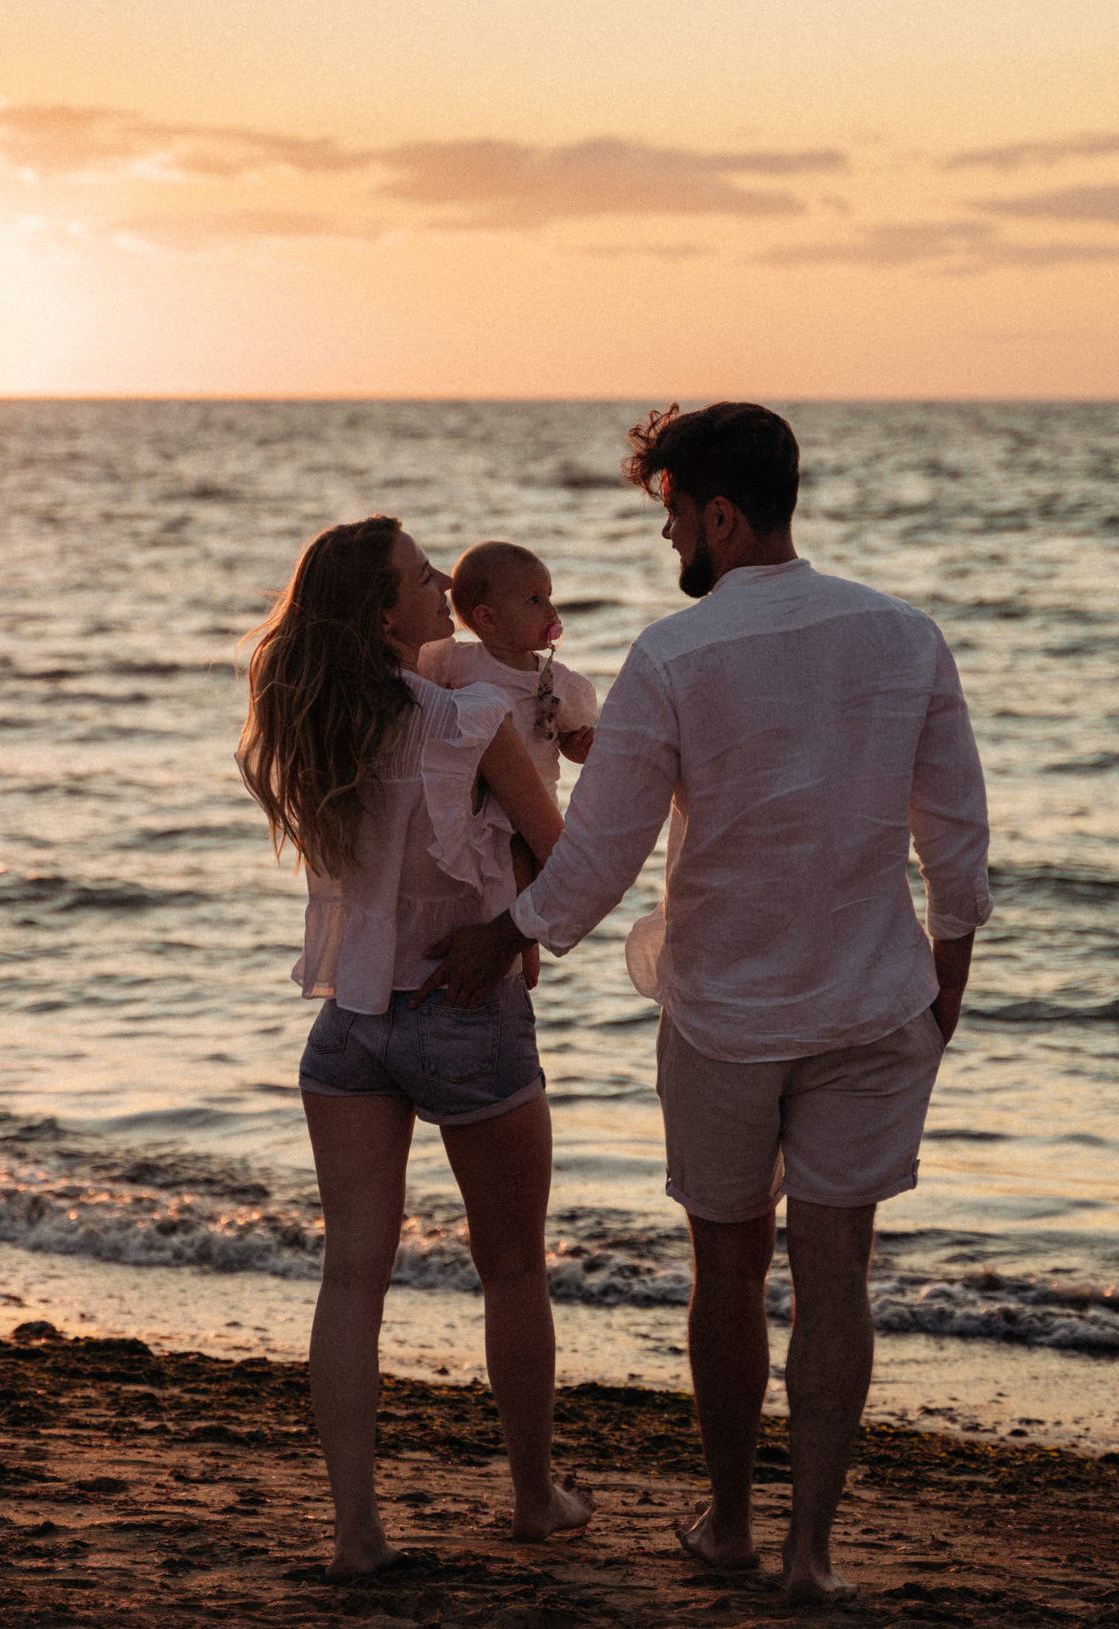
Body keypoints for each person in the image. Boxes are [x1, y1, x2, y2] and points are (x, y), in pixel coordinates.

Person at [417, 404, 992, 1604]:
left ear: (720, 515)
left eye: (674, 513)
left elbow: (602, 854)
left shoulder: (674, 656)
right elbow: (955, 833)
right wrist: (945, 981)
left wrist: (505, 936)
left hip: (725, 1014)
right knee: (836, 1274)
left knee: (725, 1271)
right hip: (874, 1004)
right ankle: (810, 1554)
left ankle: (730, 1526)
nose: (669, 535)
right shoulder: (904, 635)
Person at [238, 514, 596, 1578]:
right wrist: (511, 929)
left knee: (351, 1279)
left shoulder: (311, 721)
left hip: (350, 1023)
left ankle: (356, 1533)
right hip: (462, 1008)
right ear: (385, 613)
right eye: (423, 577)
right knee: (512, 1266)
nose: (444, 587)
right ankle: (533, 1498)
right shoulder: (467, 719)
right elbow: (568, 860)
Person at [416, 539, 601, 793]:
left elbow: (566, 740)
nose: (551, 610)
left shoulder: (558, 681)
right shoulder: (452, 661)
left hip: (533, 802)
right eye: (534, 600)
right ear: (488, 618)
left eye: (548, 596)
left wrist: (581, 746)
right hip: (469, 799)